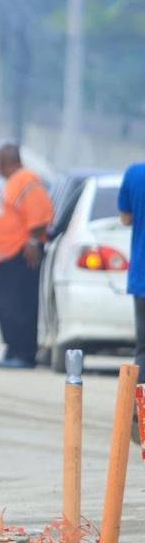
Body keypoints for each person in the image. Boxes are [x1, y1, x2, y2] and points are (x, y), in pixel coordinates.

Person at [0, 143, 54, 369]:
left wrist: (34, 240)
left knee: (20, 306)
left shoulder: (27, 179)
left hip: (20, 255)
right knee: (7, 307)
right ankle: (13, 349)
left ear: (4, 162)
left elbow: (40, 213)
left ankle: (24, 354)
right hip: (4, 258)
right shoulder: (14, 182)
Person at [118, 162, 145, 382]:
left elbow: (126, 218)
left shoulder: (135, 174)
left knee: (143, 350)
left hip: (142, 276)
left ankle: (141, 402)